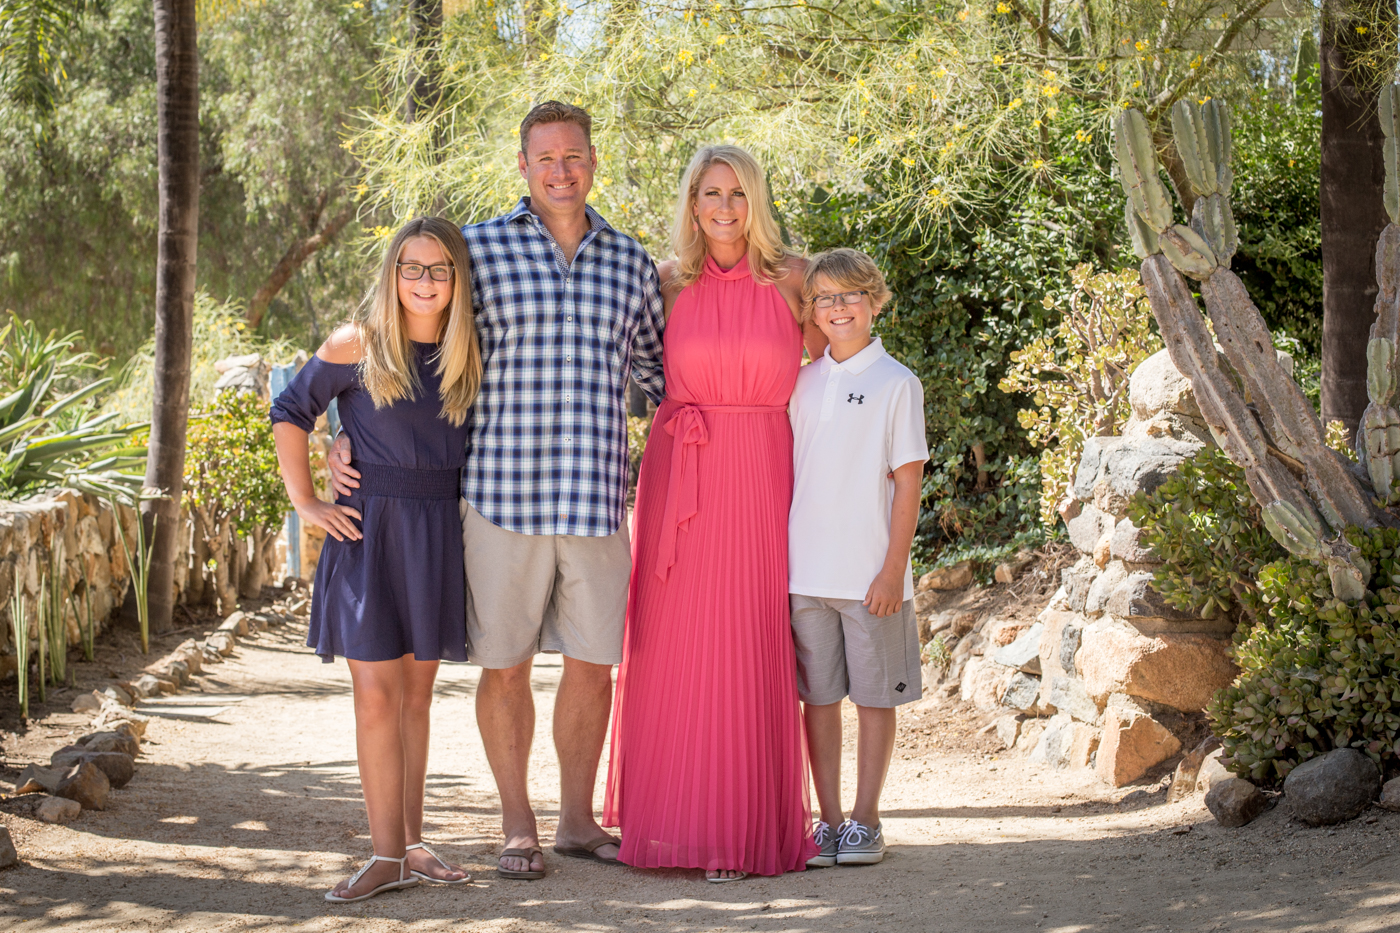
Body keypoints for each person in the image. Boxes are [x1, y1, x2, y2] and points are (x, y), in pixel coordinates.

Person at [327, 101, 666, 880]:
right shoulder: (474, 252)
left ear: (592, 161)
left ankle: (577, 820)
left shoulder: (631, 262)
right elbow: (402, 340)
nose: (560, 171)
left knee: (593, 664)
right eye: (545, 157)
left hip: (595, 498)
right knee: (505, 664)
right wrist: (349, 428)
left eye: (573, 156)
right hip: (500, 496)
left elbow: (661, 374)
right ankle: (519, 824)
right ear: (523, 164)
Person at [603, 144, 826, 882]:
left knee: (749, 636)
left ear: (756, 201)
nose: (724, 208)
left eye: (737, 193)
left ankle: (740, 828)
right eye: (710, 194)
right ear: (692, 203)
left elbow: (833, 375)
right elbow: (611, 364)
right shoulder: (664, 282)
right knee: (674, 642)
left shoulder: (795, 280)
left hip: (762, 468)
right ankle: (673, 823)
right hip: (681, 471)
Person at [270, 216, 481, 902]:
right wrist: (306, 500)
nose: (425, 281)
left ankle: (410, 845)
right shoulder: (356, 343)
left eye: (439, 268)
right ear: (392, 274)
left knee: (417, 699)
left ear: (457, 279)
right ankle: (384, 854)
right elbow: (290, 410)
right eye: (411, 267)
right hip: (369, 533)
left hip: (436, 532)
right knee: (377, 696)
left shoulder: (469, 350)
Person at [786, 248, 928, 868]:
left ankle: (866, 821)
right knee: (818, 702)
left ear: (875, 302)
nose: (838, 308)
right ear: (812, 310)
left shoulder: (897, 382)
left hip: (872, 577)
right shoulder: (801, 381)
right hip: (804, 574)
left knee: (874, 700)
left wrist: (893, 571)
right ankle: (829, 820)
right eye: (825, 298)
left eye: (850, 296)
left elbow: (908, 483)